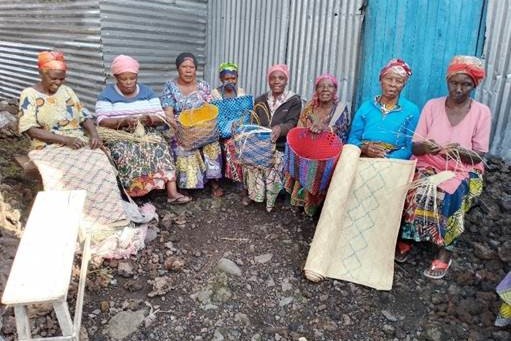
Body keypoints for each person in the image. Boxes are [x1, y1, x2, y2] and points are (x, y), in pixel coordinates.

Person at [397, 56, 491, 279]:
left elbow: (480, 156)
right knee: (415, 187)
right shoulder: (432, 105)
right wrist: (426, 147)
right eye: (454, 83)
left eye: (466, 84)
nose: (458, 89)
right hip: (429, 161)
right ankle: (409, 236)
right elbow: (416, 147)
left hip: (461, 169)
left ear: (474, 86)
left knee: (451, 194)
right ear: (447, 81)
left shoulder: (481, 112)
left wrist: (460, 151)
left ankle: (445, 249)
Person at [18, 51, 130, 236]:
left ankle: (106, 218)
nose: (58, 83)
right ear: (42, 73)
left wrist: (94, 134)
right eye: (54, 78)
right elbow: (30, 128)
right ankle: (70, 222)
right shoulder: (29, 94)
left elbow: (84, 116)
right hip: (47, 145)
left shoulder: (67, 91)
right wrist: (64, 140)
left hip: (77, 140)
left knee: (100, 165)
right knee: (61, 173)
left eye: (62, 79)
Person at [95, 55, 191, 204]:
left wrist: (150, 119)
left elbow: (161, 115)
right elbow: (102, 121)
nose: (128, 83)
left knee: (159, 146)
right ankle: (132, 195)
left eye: (132, 78)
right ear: (116, 78)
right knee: (123, 151)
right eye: (123, 79)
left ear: (137, 77)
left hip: (147, 131)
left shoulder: (147, 92)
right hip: (120, 134)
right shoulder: (107, 94)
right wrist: (123, 121)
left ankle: (172, 193)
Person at [284, 73, 351, 216]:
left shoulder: (340, 109)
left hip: (329, 153)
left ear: (335, 90)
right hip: (309, 148)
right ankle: (300, 203)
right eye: (321, 86)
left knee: (320, 166)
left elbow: (342, 134)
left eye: (330, 86)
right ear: (316, 90)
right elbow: (299, 129)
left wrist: (323, 128)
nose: (325, 89)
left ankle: (316, 208)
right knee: (301, 159)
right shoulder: (309, 107)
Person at [160, 52, 223, 197]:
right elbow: (168, 112)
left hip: (202, 127)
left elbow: (209, 108)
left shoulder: (203, 86)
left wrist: (203, 126)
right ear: (178, 68)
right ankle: (186, 185)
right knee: (183, 146)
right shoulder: (170, 86)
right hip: (181, 128)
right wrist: (178, 126)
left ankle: (214, 182)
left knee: (212, 144)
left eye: (192, 67)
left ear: (196, 69)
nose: (188, 70)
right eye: (184, 67)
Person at [242, 64, 302, 211]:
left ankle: (272, 198)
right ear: (268, 80)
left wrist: (280, 129)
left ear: (286, 80)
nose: (276, 81)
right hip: (261, 144)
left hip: (280, 146)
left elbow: (293, 122)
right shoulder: (260, 100)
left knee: (276, 163)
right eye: (273, 78)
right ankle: (253, 193)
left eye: (281, 78)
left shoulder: (293, 100)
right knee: (248, 158)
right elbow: (254, 121)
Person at [348, 58, 419, 159]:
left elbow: (410, 146)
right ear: (381, 79)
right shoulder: (366, 107)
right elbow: (352, 138)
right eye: (389, 79)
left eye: (399, 81)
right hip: (363, 157)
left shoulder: (411, 110)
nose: (393, 84)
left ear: (404, 85)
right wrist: (365, 148)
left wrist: (387, 159)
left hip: (393, 163)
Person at [211, 62, 249, 183]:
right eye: (226, 78)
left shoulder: (241, 93)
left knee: (240, 142)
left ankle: (236, 177)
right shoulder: (215, 94)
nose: (230, 81)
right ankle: (218, 181)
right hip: (219, 129)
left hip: (238, 128)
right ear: (221, 78)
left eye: (233, 78)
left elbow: (245, 113)